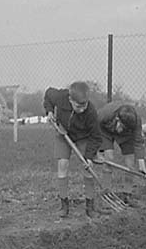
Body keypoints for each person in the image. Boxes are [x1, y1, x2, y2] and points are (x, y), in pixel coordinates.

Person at [43, 82, 103, 218]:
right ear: (70, 99)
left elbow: (96, 137)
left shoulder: (91, 112)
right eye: (78, 106)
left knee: (88, 168)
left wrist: (89, 157)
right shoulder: (60, 96)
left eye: (84, 105)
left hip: (83, 137)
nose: (82, 109)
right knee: (62, 164)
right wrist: (50, 111)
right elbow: (48, 95)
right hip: (63, 134)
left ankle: (90, 206)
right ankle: (64, 205)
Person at [96, 102, 146, 196]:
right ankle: (106, 191)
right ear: (117, 119)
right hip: (105, 132)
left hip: (126, 137)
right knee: (109, 159)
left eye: (127, 128)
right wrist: (100, 150)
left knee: (130, 163)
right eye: (123, 127)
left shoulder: (136, 121)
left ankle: (127, 193)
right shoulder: (104, 114)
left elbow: (138, 142)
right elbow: (95, 129)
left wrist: (141, 164)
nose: (123, 129)